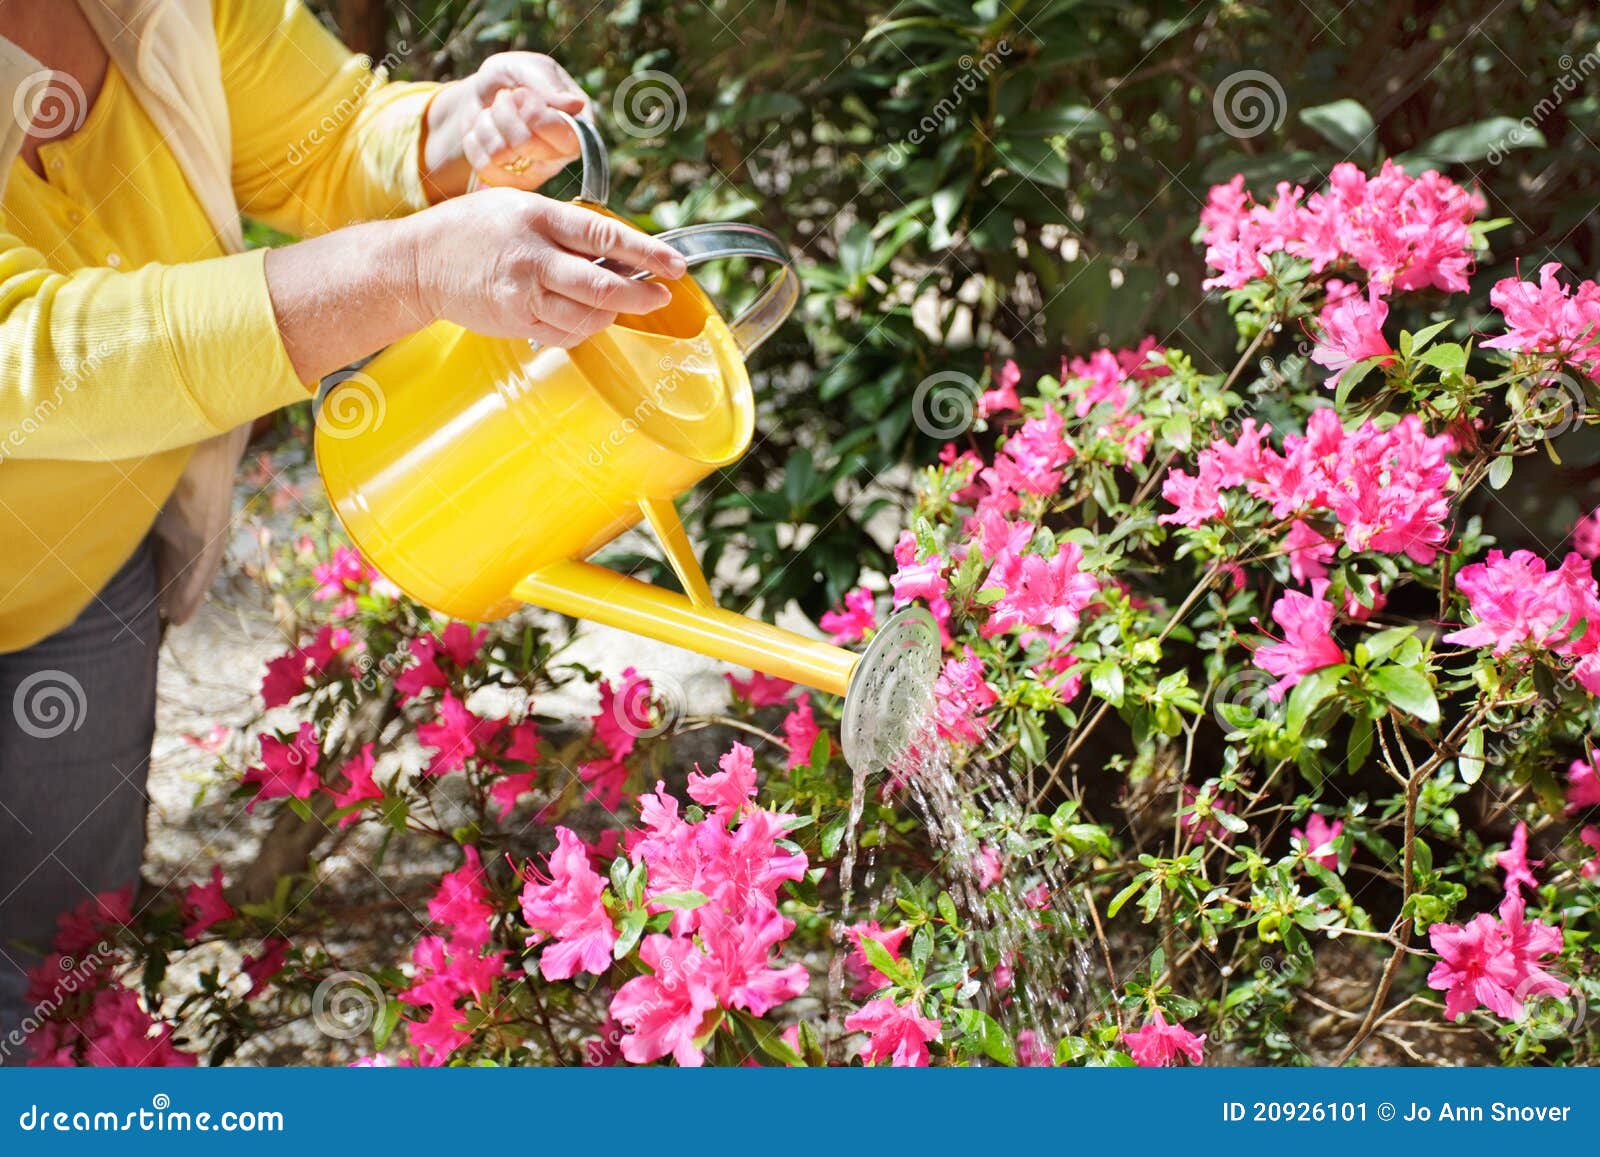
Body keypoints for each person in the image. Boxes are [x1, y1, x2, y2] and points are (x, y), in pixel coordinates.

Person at [0, 0, 687, 1042]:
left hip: (79, 578)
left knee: (55, 986)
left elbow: (322, 135)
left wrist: (459, 133)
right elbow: (35, 354)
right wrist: (409, 270)